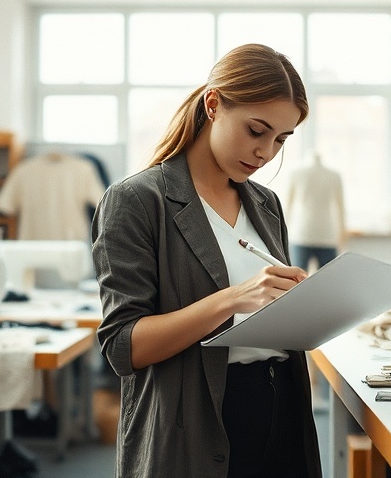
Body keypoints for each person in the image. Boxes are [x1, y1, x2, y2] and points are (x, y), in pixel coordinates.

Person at [91, 44, 323, 478]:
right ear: (213, 104)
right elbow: (124, 346)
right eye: (256, 131)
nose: (266, 152)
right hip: (196, 421)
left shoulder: (266, 204)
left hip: (284, 410)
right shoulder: (136, 201)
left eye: (281, 139)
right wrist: (232, 299)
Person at [285, 152, 346, 271]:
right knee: (324, 278)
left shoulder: (296, 173)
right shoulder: (333, 175)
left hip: (304, 233)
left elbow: (288, 206)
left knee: (301, 278)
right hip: (321, 234)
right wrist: (342, 236)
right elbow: (341, 209)